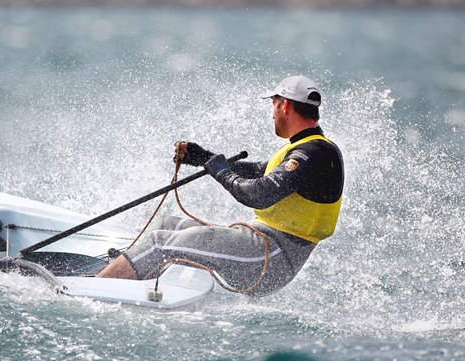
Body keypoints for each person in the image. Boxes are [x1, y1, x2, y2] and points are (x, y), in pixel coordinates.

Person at [97, 75, 344, 296]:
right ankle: (127, 281)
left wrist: (221, 172)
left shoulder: (314, 153)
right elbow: (257, 171)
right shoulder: (305, 148)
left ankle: (96, 289)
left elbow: (258, 195)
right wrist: (203, 158)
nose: (272, 113)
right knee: (166, 224)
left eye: (273, 104)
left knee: (158, 243)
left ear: (285, 105)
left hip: (271, 258)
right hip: (262, 246)